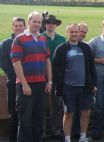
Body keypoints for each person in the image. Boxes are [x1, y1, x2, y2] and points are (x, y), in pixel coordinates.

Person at [11, 11, 52, 142]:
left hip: (41, 84)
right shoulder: (20, 39)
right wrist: (24, 84)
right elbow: (16, 62)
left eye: (39, 22)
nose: (37, 24)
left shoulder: (43, 38)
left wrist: (49, 81)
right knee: (25, 121)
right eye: (34, 21)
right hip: (26, 86)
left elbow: (47, 60)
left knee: (38, 119)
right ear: (28, 22)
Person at [52, 23, 97, 142]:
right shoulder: (61, 49)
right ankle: (67, 138)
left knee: (85, 112)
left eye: (76, 32)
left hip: (85, 87)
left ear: (79, 33)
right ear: (67, 33)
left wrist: (94, 84)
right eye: (71, 32)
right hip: (68, 88)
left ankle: (83, 137)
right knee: (68, 113)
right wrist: (60, 86)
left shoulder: (85, 48)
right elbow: (55, 70)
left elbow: (92, 67)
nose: (74, 34)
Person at [0, 17, 25, 142]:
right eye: (16, 25)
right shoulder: (5, 43)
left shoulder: (27, 41)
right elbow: (4, 63)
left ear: (24, 27)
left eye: (21, 25)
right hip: (13, 83)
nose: (19, 27)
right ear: (12, 27)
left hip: (28, 83)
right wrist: (17, 75)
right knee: (14, 112)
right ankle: (13, 138)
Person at [42, 14, 66, 140]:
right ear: (44, 24)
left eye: (53, 22)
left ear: (56, 24)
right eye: (48, 22)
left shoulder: (62, 39)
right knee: (43, 105)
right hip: (42, 76)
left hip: (57, 76)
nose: (50, 25)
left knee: (57, 105)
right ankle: (43, 132)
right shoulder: (40, 38)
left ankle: (56, 130)